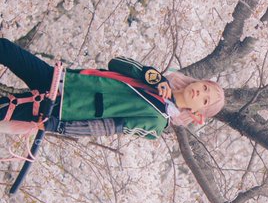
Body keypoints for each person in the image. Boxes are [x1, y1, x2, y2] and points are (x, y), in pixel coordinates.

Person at [0, 37, 224, 140]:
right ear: (198, 81)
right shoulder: (155, 80)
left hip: (59, 108)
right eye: (205, 87)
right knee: (5, 49)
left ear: (196, 113)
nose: (201, 93)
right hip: (61, 80)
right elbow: (116, 63)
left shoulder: (156, 122)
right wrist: (155, 79)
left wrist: (58, 127)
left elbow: (106, 127)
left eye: (205, 100)